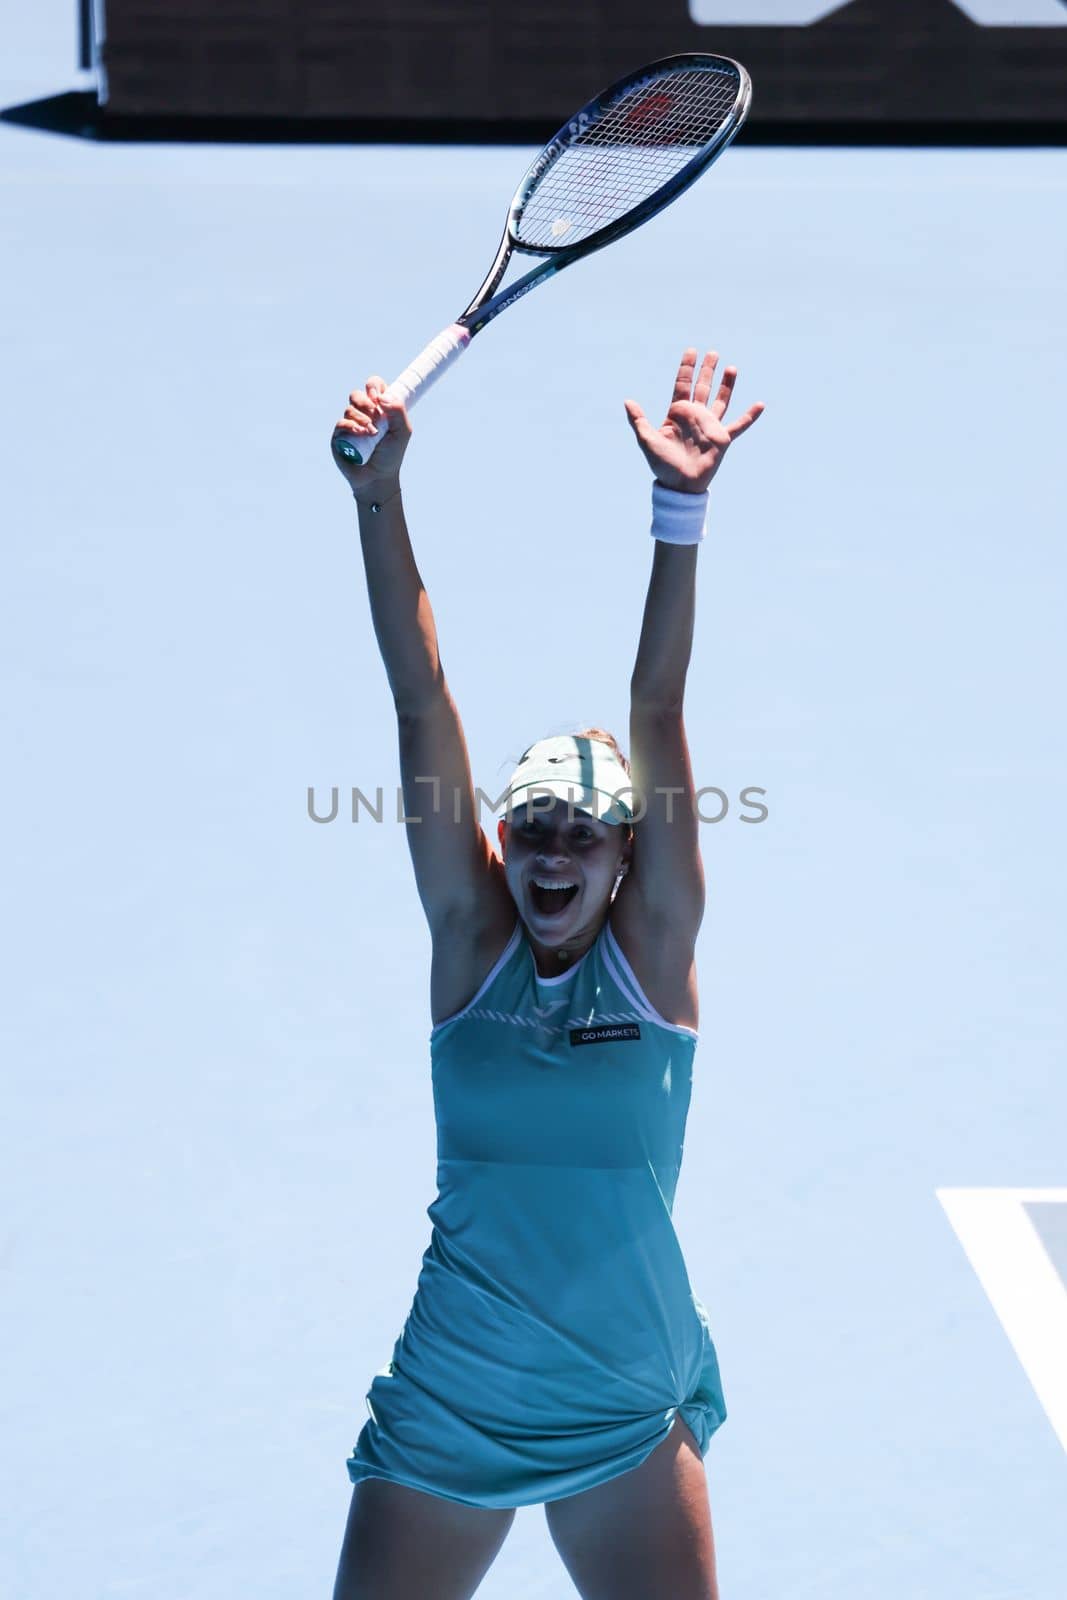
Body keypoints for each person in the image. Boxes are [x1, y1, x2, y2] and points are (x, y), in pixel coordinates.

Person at [328, 348, 764, 1600]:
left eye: (585, 830)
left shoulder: (654, 954)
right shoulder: (470, 942)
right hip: (452, 1394)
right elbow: (420, 703)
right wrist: (378, 494)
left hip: (623, 1402)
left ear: (631, 853)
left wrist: (677, 512)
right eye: (532, 826)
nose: (554, 848)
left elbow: (656, 699)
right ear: (500, 839)